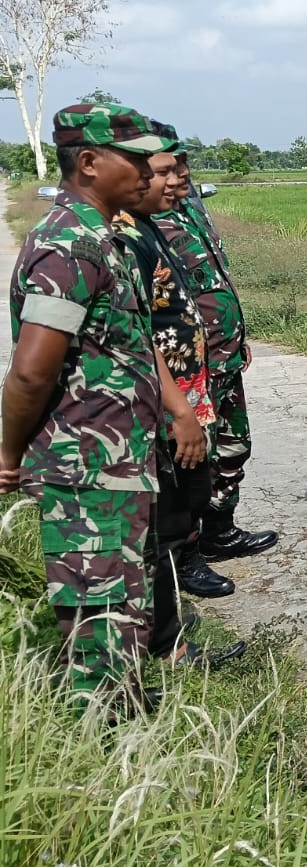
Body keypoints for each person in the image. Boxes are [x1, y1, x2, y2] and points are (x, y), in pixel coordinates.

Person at [1, 104, 178, 706]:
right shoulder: (69, 245)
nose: (148, 170)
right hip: (85, 467)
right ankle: (106, 742)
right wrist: (8, 451)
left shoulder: (103, 235)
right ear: (89, 162)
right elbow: (30, 372)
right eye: (134, 159)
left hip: (116, 460)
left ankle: (123, 714)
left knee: (122, 601)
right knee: (99, 608)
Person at [113, 145, 238, 629]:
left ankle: (178, 581)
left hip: (187, 378)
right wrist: (179, 407)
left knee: (191, 482)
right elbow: (140, 334)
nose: (174, 180)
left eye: (177, 171)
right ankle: (176, 583)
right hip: (163, 394)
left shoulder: (147, 227)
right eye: (162, 172)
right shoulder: (120, 236)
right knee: (174, 494)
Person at [153, 141, 279, 563]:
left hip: (223, 357)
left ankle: (220, 532)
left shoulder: (190, 211)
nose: (181, 174)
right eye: (169, 167)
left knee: (232, 446)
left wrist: (236, 339)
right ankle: (183, 557)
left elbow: (215, 281)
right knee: (189, 460)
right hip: (186, 369)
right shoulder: (141, 223)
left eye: (184, 164)